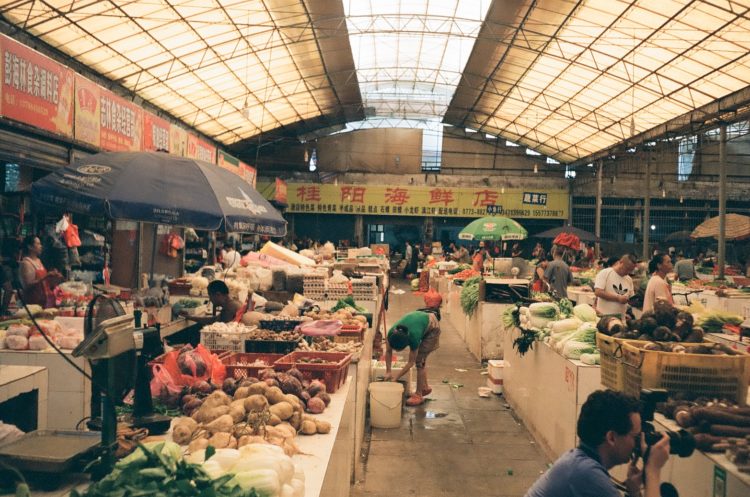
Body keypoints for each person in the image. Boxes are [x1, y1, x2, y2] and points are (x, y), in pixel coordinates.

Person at [525, 389, 670, 497]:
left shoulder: (578, 461)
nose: (638, 444)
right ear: (611, 438)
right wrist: (653, 470)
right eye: (636, 437)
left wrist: (634, 491)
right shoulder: (586, 474)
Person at [384, 310, 441, 407]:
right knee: (421, 360)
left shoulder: (413, 338)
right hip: (420, 319)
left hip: (432, 326)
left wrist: (396, 378)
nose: (396, 351)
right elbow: (388, 351)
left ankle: (419, 395)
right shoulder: (391, 334)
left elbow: (411, 363)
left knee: (420, 361)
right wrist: (388, 371)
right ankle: (425, 387)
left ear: (407, 343)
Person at [18, 235, 63, 308]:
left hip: (43, 301)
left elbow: (44, 282)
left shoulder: (38, 261)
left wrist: (54, 278)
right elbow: (27, 285)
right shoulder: (26, 263)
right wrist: (46, 276)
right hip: (32, 303)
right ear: (30, 247)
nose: (41, 246)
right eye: (38, 244)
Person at [594, 254, 637, 319]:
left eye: (631, 270)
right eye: (627, 268)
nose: (628, 272)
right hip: (604, 318)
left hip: (621, 319)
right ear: (620, 262)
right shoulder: (605, 273)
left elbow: (631, 297)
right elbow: (598, 292)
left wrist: (632, 301)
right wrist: (618, 298)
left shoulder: (629, 279)